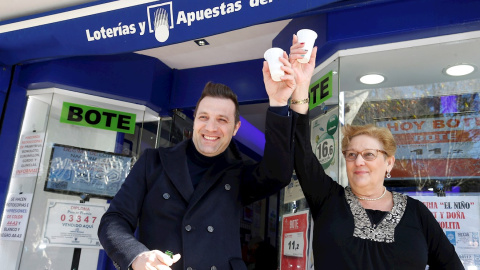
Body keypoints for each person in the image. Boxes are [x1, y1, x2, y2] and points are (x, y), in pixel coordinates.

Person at [98, 51, 298, 270]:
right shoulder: (153, 162)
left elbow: (278, 173)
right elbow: (113, 220)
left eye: (222, 120)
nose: (211, 128)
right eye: (204, 117)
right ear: (195, 120)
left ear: (235, 128)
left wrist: (279, 103)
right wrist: (137, 256)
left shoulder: (240, 173)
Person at [287, 34, 465, 269]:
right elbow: (300, 152)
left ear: (389, 163)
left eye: (369, 154)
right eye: (352, 155)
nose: (359, 161)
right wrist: (300, 86)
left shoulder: (417, 213)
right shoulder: (329, 199)